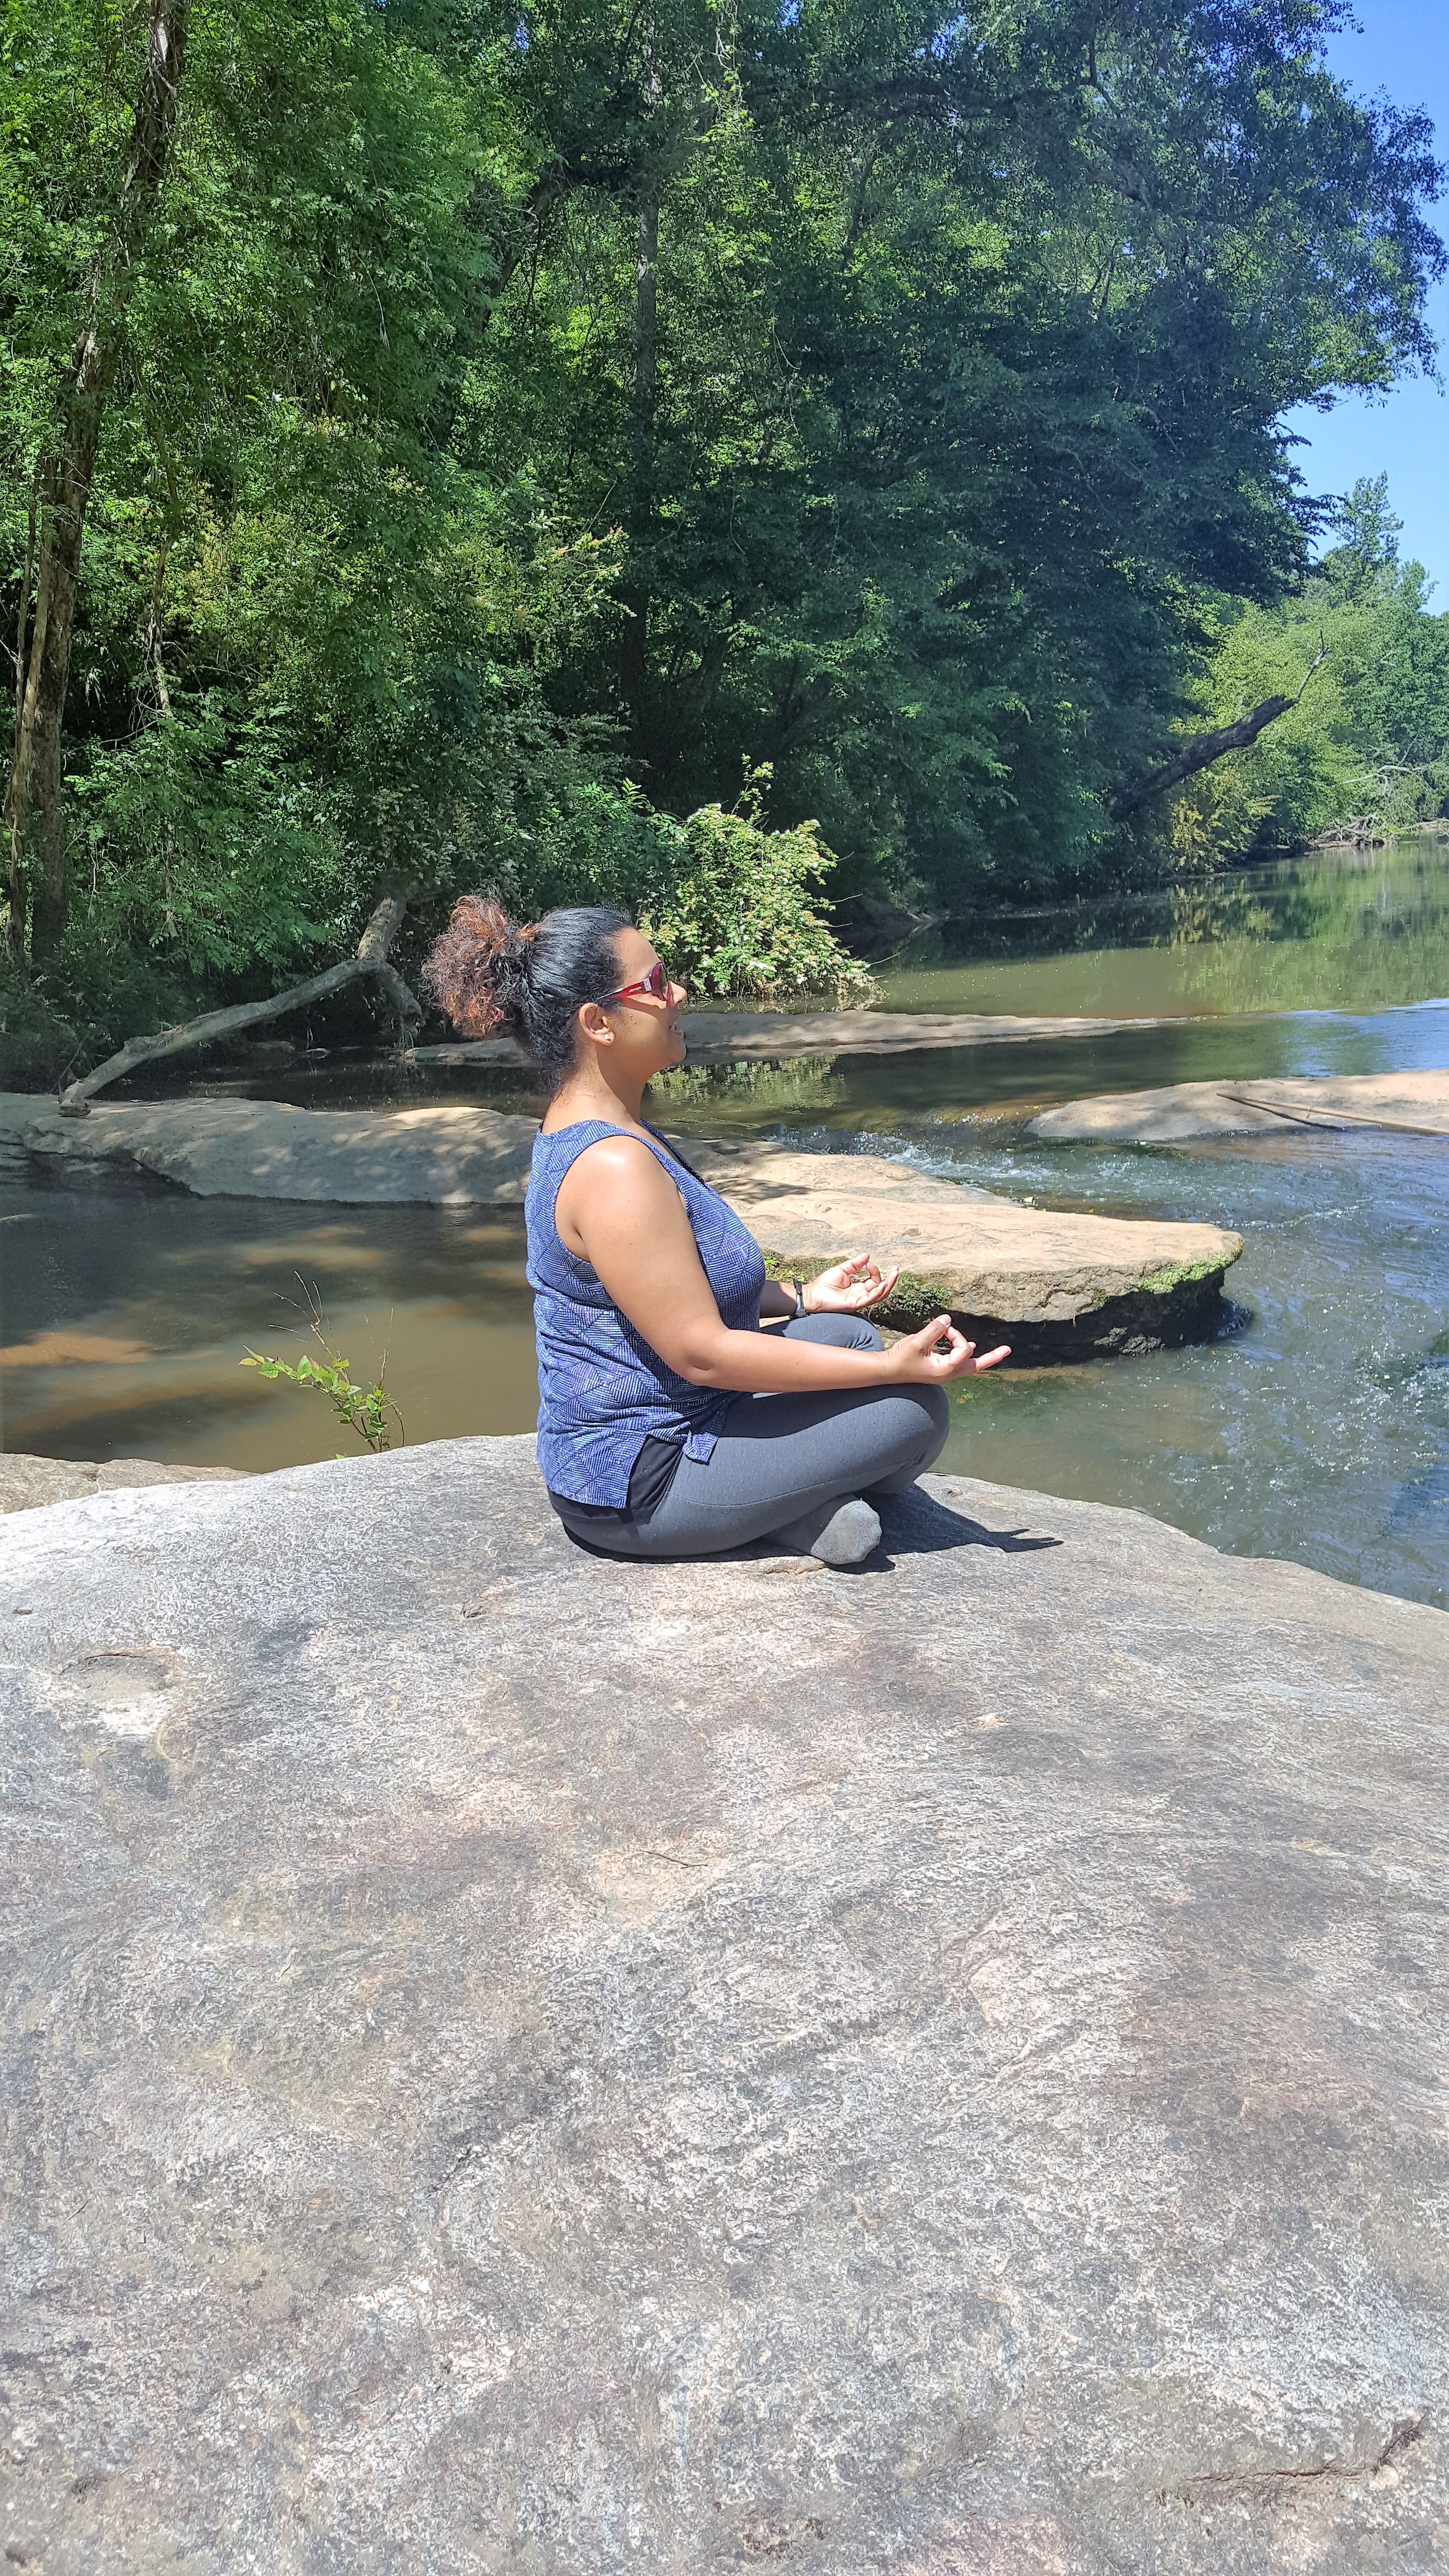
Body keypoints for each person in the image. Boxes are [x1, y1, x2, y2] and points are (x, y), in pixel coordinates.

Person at [421, 897, 1010, 1564]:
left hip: (688, 1416)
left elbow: (657, 1283)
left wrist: (803, 1300)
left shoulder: (611, 1128)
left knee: (843, 1335)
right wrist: (888, 1369)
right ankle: (773, 1511)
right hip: (640, 1480)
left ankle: (784, 1508)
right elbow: (701, 1353)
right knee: (911, 1411)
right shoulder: (612, 1165)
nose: (679, 994)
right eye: (654, 985)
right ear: (598, 1023)